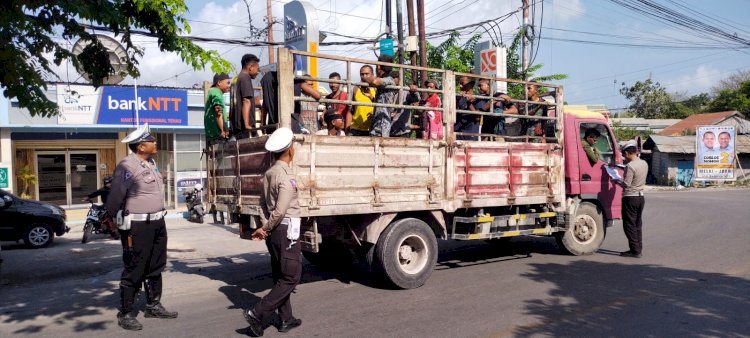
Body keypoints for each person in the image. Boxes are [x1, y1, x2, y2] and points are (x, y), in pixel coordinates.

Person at [106, 123, 177, 331]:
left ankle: (153, 305)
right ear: (140, 146)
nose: (154, 142)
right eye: (150, 140)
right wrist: (112, 221)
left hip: (157, 222)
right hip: (137, 225)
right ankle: (126, 313)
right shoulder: (127, 166)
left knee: (156, 265)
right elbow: (115, 198)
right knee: (135, 267)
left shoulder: (151, 162)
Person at [244, 128, 303, 336]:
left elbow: (262, 204)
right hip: (286, 229)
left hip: (275, 231)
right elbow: (281, 209)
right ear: (290, 151)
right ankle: (257, 313)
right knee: (291, 277)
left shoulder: (269, 173)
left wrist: (264, 226)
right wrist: (267, 227)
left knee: (281, 274)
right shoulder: (286, 175)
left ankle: (286, 319)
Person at [612, 141, 648, 258]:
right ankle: (638, 248)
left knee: (629, 225)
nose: (624, 157)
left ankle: (634, 251)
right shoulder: (644, 163)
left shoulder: (630, 166)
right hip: (640, 197)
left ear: (627, 153)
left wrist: (616, 180)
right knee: (637, 224)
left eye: (624, 155)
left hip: (630, 198)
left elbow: (626, 184)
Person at [362, 55, 399, 137]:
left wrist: (366, 78)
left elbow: (375, 81)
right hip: (376, 123)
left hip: (382, 126)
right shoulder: (385, 81)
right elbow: (381, 100)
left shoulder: (389, 80)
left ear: (379, 66)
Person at [230, 54, 261, 139]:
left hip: (236, 127)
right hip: (245, 129)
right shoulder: (245, 78)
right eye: (257, 69)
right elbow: (246, 101)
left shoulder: (236, 79)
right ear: (251, 67)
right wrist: (247, 124)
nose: (258, 72)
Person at [349, 65, 377, 136]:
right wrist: (347, 129)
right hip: (355, 129)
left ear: (372, 75)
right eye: (362, 74)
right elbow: (350, 111)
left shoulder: (376, 89)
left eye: (367, 74)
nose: (364, 76)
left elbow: (381, 107)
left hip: (372, 129)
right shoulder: (355, 89)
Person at [205, 73, 231, 145]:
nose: (229, 86)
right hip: (217, 136)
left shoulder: (216, 92)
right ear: (219, 82)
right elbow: (218, 112)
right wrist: (222, 131)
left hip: (216, 136)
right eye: (227, 83)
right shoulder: (215, 92)